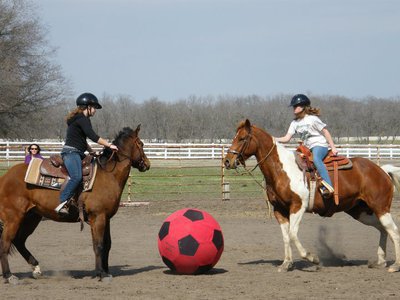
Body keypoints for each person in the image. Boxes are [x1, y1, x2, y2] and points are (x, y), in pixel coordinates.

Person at [55, 93, 119, 215]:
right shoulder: (81, 119)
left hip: (78, 152)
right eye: (94, 107)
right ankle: (63, 201)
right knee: (76, 176)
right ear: (87, 107)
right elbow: (93, 136)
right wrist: (109, 145)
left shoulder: (81, 119)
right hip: (71, 152)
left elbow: (82, 139)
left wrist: (90, 151)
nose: (95, 110)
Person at [275, 94, 338, 197]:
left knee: (317, 159)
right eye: (294, 107)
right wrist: (274, 139)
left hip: (319, 145)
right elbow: (286, 138)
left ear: (303, 107)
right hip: (307, 148)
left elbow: (325, 132)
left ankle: (328, 186)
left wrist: (333, 147)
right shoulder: (294, 123)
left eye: (296, 106)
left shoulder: (312, 119)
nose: (294, 108)